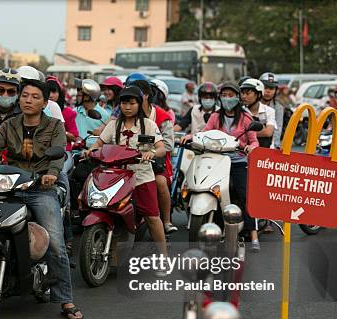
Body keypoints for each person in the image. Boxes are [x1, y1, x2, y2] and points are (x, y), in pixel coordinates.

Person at [0, 76, 83, 319]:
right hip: (10, 186)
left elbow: (58, 156)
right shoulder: (10, 124)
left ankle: (65, 298)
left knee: (56, 243)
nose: (28, 100)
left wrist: (50, 174)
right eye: (25, 95)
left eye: (35, 97)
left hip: (40, 187)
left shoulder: (55, 127)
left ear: (44, 102)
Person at [85, 85, 169, 255]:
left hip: (142, 178)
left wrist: (150, 153)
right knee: (110, 212)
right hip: (117, 178)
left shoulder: (149, 125)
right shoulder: (114, 125)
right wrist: (90, 150)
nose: (127, 107)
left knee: (152, 217)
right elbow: (99, 143)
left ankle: (164, 256)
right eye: (124, 103)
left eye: (132, 103)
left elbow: (162, 148)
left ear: (139, 104)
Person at [183, 81, 260, 250]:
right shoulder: (215, 117)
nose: (227, 98)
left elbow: (254, 141)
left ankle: (253, 234)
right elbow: (204, 133)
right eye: (224, 95)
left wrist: (250, 148)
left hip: (239, 161)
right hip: (216, 159)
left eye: (231, 95)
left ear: (238, 97)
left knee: (245, 194)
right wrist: (191, 137)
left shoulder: (246, 118)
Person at [127, 74, 176, 234]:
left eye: (135, 96)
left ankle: (166, 221)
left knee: (160, 182)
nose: (129, 103)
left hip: (157, 165)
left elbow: (168, 145)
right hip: (129, 162)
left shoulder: (162, 117)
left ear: (146, 95)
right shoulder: (125, 115)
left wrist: (151, 152)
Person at [240, 78, 276, 148]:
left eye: (248, 93)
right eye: (243, 93)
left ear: (259, 94)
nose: (244, 96)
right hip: (245, 150)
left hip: (266, 151)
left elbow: (268, 132)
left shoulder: (269, 111)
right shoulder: (240, 111)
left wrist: (245, 134)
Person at [46, 75, 79, 150]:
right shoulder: (38, 110)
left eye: (54, 92)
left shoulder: (68, 112)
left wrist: (60, 131)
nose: (50, 95)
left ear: (60, 93)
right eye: (48, 92)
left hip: (63, 152)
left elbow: (74, 137)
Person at [259, 72, 284, 148]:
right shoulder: (251, 104)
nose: (268, 91)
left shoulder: (278, 107)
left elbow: (277, 130)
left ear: (275, 90)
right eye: (265, 87)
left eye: (271, 88)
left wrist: (275, 147)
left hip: (270, 146)